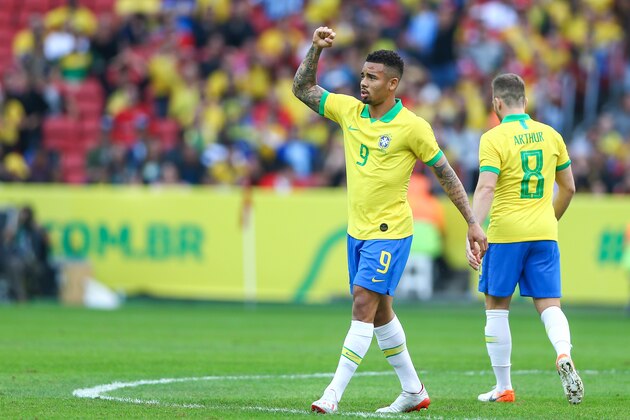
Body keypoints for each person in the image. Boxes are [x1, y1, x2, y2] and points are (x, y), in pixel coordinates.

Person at [293, 26, 487, 414]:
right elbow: (302, 89)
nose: (363, 83)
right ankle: (413, 390)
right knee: (380, 313)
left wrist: (472, 221)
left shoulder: (413, 127)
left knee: (363, 303)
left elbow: (445, 172)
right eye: (363, 75)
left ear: (393, 84)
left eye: (372, 77)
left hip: (390, 232)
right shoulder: (349, 110)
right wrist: (315, 49)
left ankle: (332, 394)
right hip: (356, 232)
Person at [467, 73, 584, 405]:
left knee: (496, 308)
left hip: (505, 234)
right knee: (549, 305)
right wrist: (549, 218)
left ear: (497, 104)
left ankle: (503, 387)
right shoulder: (551, 135)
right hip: (544, 233)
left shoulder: (493, 137)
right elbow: (569, 187)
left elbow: (487, 186)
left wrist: (473, 226)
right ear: (525, 102)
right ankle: (563, 353)